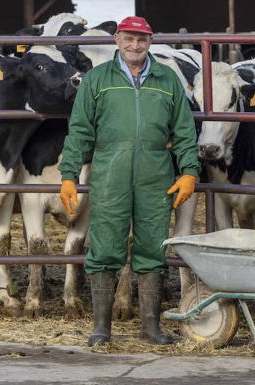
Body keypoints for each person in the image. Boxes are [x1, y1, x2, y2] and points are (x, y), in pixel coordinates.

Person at [58, 16, 200, 346]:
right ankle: (102, 329)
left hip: (156, 174)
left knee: (152, 248)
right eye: (128, 38)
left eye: (141, 39)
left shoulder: (168, 80)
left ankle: (150, 328)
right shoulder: (96, 79)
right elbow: (79, 130)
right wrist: (68, 175)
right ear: (117, 40)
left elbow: (183, 131)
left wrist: (189, 171)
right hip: (110, 173)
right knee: (106, 247)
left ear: (150, 41)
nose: (135, 45)